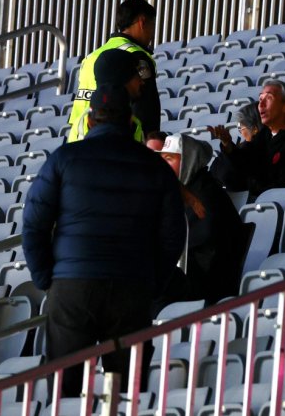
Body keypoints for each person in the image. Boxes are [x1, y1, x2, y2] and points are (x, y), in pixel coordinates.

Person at [23, 84, 185, 397]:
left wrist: (46, 278)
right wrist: (154, 283)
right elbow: (173, 234)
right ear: (129, 121)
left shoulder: (64, 158)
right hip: (132, 286)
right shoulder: (155, 167)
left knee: (64, 389)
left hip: (73, 286)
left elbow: (34, 225)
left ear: (89, 122)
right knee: (125, 391)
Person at [151, 133, 251, 306]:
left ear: (188, 161)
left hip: (206, 289)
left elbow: (201, 258)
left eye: (169, 159)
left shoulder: (206, 196)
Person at [66, 0, 160, 142]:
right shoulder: (136, 55)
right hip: (118, 143)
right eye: (152, 26)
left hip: (78, 141)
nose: (151, 34)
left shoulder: (92, 56)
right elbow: (146, 109)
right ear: (142, 22)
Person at [209, 81, 285, 196]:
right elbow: (245, 161)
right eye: (260, 99)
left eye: (268, 98)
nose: (261, 104)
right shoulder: (265, 133)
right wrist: (227, 144)